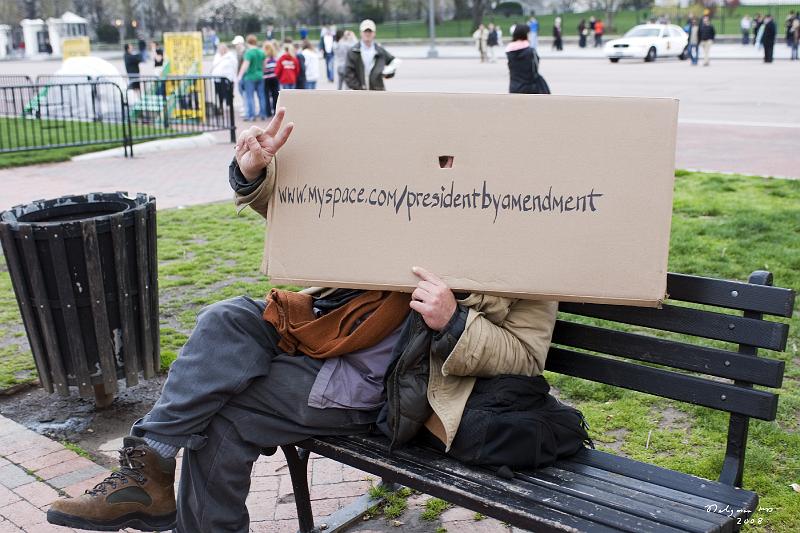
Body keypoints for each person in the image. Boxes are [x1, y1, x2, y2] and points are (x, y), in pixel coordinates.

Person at [46, 107, 559, 533]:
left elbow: (527, 355)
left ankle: (151, 483)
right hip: (326, 330)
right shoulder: (419, 195)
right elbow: (321, 217)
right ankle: (151, 458)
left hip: (385, 385)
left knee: (224, 417)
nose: (454, 166)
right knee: (228, 319)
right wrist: (252, 174)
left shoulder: (530, 244)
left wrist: (454, 321)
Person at [344, 19, 397, 91]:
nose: (367, 34)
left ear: (374, 33)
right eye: (365, 31)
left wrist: (388, 73)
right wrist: (359, 88)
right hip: (359, 93)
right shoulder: (353, 51)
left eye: (370, 31)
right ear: (361, 33)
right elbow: (348, 74)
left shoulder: (380, 51)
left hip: (377, 91)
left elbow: (393, 62)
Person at [506, 23, 548, 94]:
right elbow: (534, 70)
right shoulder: (530, 51)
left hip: (514, 87)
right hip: (529, 88)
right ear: (525, 34)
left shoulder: (509, 51)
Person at [237, 34, 267, 121]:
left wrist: (240, 75)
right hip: (260, 76)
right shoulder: (261, 52)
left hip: (250, 77)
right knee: (261, 96)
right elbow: (264, 63)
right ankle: (263, 114)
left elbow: (245, 65)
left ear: (247, 42)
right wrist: (262, 71)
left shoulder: (249, 53)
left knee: (250, 97)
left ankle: (251, 115)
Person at [211, 43, 237, 116]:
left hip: (227, 79)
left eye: (222, 49)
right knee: (219, 93)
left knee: (228, 93)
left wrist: (232, 77)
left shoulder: (230, 56)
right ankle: (221, 106)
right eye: (219, 49)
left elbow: (234, 67)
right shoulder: (217, 56)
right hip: (217, 79)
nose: (221, 50)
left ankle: (230, 106)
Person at [262, 42, 280, 115]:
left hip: (266, 78)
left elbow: (263, 69)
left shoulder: (264, 59)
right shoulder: (275, 58)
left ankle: (268, 112)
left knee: (266, 95)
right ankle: (275, 110)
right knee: (275, 94)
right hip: (274, 77)